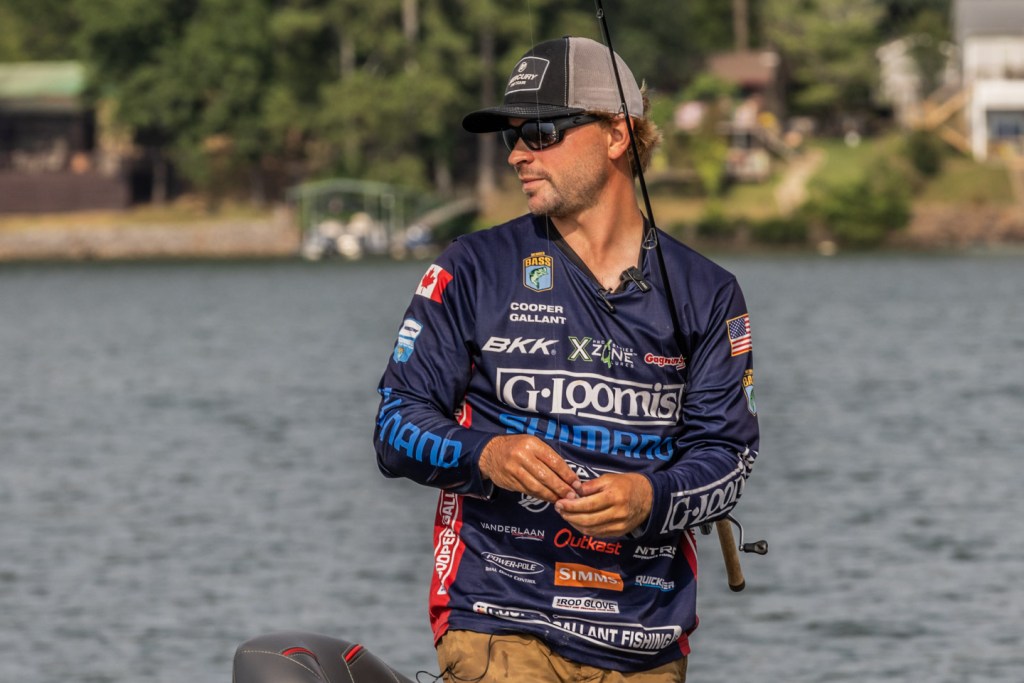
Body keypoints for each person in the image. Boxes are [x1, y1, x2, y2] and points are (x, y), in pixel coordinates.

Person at [373, 36, 759, 682]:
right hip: (497, 619)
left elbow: (729, 459)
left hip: (646, 641)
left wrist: (651, 496)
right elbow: (393, 426)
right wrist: (486, 455)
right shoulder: (471, 268)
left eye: (542, 132)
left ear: (617, 135)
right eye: (512, 137)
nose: (518, 154)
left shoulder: (709, 293)